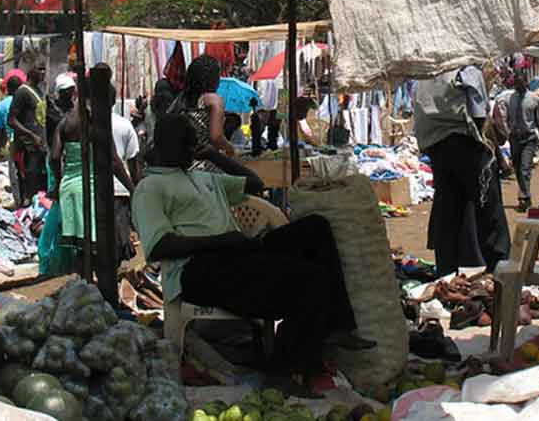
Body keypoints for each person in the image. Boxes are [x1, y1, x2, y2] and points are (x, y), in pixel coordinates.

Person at [132, 114, 373, 395]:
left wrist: (213, 154)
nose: (190, 149)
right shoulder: (150, 188)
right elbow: (159, 245)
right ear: (163, 145)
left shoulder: (201, 176)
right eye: (185, 144)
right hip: (199, 268)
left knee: (315, 229)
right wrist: (220, 241)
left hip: (236, 250)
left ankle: (337, 325)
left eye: (192, 144)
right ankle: (283, 367)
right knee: (309, 279)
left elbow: (255, 184)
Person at [49, 64, 135, 304]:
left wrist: (58, 182)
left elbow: (54, 157)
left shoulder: (66, 121)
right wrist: (132, 188)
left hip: (70, 188)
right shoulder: (96, 122)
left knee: (80, 248)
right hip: (94, 188)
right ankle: (105, 300)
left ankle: (84, 294)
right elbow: (115, 161)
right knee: (101, 250)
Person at [413, 65, 511, 276]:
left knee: (448, 211)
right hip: (467, 144)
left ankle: (447, 272)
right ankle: (499, 270)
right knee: (489, 211)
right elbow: (478, 115)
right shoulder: (467, 70)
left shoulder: (425, 76)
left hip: (438, 149)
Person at [169, 55, 234, 171]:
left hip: (179, 164)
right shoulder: (214, 100)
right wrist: (230, 148)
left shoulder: (180, 99)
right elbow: (216, 137)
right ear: (213, 78)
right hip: (205, 166)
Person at [499, 77, 539, 211]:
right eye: (516, 84)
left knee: (525, 168)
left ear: (525, 83)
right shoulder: (510, 98)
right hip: (514, 138)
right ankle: (526, 197)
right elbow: (504, 116)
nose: (518, 86)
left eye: (521, 83)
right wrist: (506, 131)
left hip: (529, 138)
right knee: (517, 168)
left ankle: (524, 197)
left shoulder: (534, 99)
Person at [8, 64, 49, 206]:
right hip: (28, 147)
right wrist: (31, 135)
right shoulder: (22, 92)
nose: (42, 72)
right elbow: (12, 120)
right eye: (39, 69)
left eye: (44, 69)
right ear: (30, 71)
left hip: (40, 146)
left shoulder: (39, 90)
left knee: (41, 184)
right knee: (30, 183)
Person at [111, 104, 141, 262]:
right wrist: (134, 188)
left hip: (95, 187)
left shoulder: (84, 124)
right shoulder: (124, 124)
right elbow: (133, 161)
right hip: (119, 188)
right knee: (119, 240)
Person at [0, 72, 21, 160]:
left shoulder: (2, 105)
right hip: (27, 140)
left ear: (7, 89)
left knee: (14, 169)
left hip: (12, 142)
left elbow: (0, 130)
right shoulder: (26, 100)